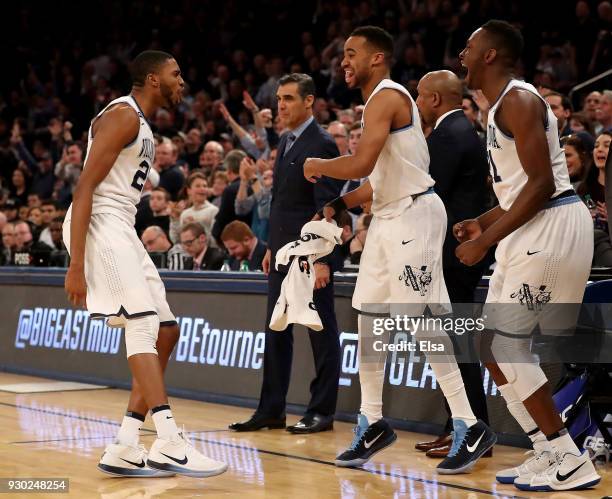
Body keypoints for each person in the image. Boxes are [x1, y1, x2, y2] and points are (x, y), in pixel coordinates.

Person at [304, 26, 495, 472]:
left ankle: (470, 423)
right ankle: (371, 419)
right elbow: (375, 182)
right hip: (388, 216)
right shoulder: (378, 106)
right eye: (343, 55)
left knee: (418, 318)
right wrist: (338, 204)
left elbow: (359, 163)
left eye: (352, 54)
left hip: (414, 215)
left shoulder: (388, 96)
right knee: (369, 318)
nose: (344, 61)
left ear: (377, 58)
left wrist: (317, 166)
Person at [63, 50, 227, 478]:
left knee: (167, 330)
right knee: (140, 323)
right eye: (176, 74)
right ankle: (170, 440)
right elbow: (84, 190)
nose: (182, 82)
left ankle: (126, 444)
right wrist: (76, 263)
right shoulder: (123, 115)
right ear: (153, 80)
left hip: (122, 225)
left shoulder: (141, 123)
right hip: (99, 221)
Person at [458, 20, 600, 491]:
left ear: (491, 55)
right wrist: (484, 221)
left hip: (553, 222)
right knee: (490, 348)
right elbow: (521, 188)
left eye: (470, 46)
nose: (462, 53)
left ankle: (569, 456)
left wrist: (484, 240)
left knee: (508, 345)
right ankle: (546, 450)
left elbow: (542, 186)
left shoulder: (518, 100)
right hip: (532, 224)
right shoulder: (498, 107)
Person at [229, 73, 343, 435]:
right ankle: (271, 409)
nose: (281, 105)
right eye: (279, 98)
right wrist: (271, 249)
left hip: (310, 254)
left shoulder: (322, 143)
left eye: (289, 98)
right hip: (281, 253)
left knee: (320, 333)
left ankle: (321, 411)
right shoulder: (286, 140)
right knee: (276, 332)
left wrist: (322, 258)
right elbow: (281, 201)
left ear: (309, 101)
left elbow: (329, 205)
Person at [415, 70, 491, 459]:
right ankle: (458, 424)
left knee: (455, 342)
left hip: (455, 251)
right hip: (460, 248)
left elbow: (427, 193)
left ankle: (472, 428)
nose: (415, 103)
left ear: (434, 100)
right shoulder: (462, 129)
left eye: (419, 96)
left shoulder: (449, 134)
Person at [170, 172, 218, 243]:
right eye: (198, 186)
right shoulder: (185, 214)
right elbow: (177, 240)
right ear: (189, 191)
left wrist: (195, 227)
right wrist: (175, 220)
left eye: (205, 186)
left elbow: (215, 240)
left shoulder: (213, 211)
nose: (202, 189)